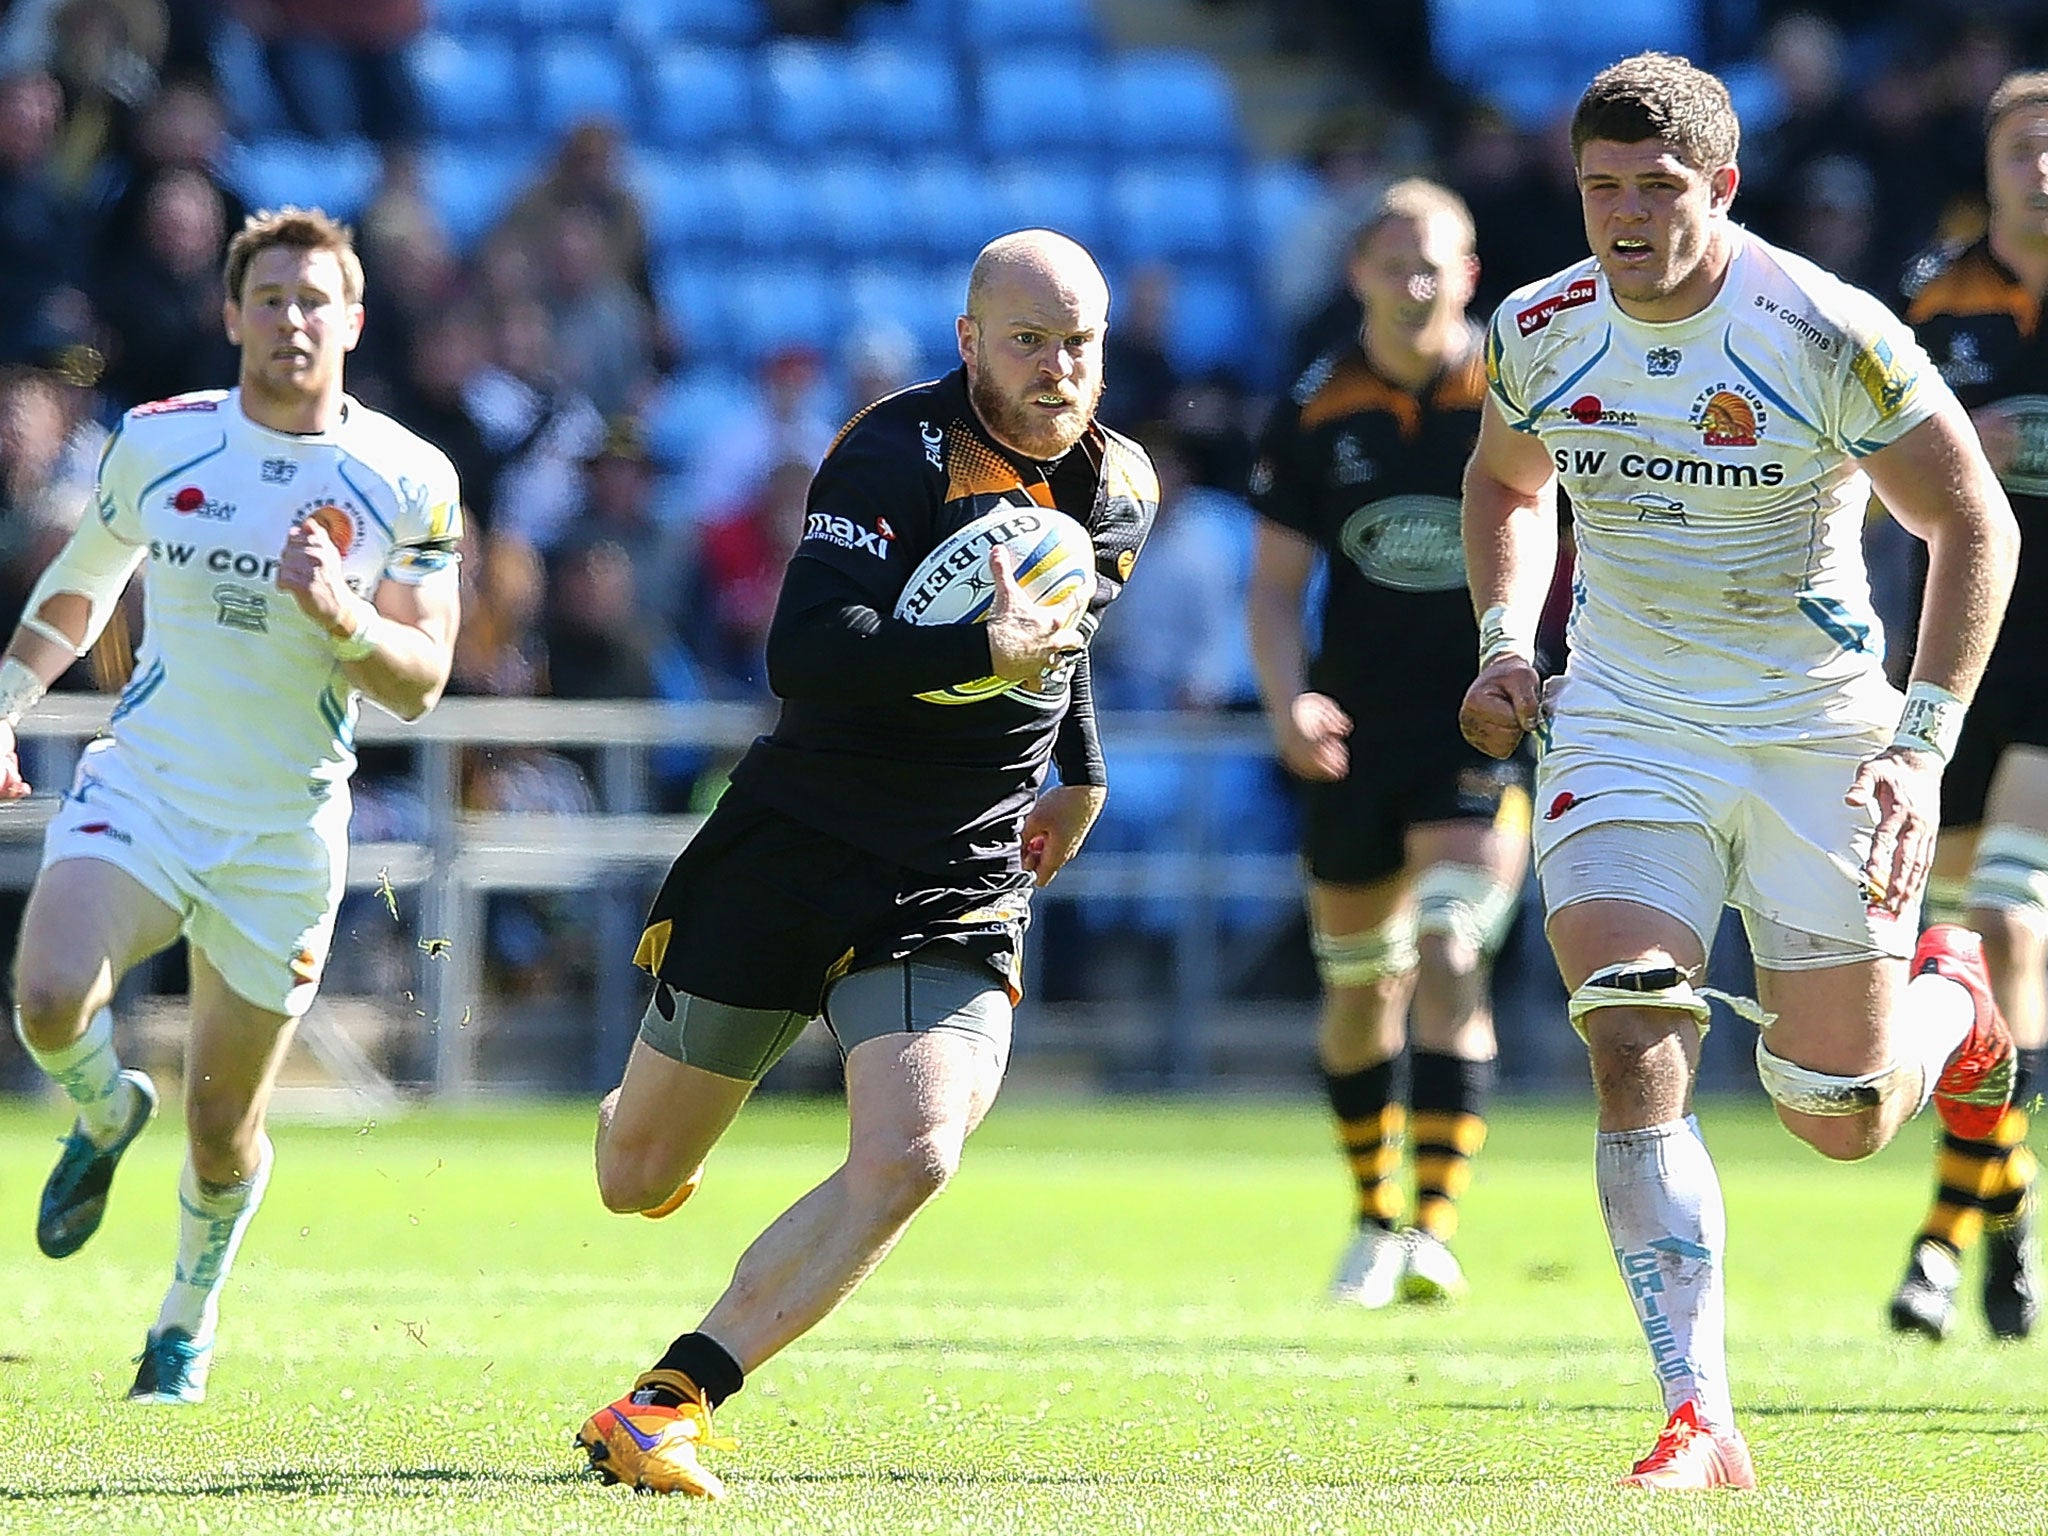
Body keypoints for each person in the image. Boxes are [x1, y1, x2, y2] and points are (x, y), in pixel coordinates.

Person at [1460, 54, 2020, 1491]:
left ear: (1720, 183)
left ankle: (1955, 999)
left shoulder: (1824, 330)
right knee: (1631, 1019)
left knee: (1837, 1117)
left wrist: (1920, 748)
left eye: (1657, 188)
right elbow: (1507, 482)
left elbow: (1975, 527)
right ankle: (1697, 1414)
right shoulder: (1538, 325)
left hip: (1815, 727)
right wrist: (1506, 639)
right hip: (1627, 719)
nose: (1627, 219)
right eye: (1602, 189)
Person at [572, 229, 1157, 1499]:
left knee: (913, 1150)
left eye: (1080, 342)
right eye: (1027, 340)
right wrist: (973, 658)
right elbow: (810, 647)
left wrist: (1083, 768)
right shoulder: (891, 452)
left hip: (956, 860)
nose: (1059, 368)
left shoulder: (1125, 486)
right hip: (799, 836)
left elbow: (1068, 639)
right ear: (968, 342)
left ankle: (664, 1402)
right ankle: (645, 1126)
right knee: (635, 1179)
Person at [4, 205, 462, 1404]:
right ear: (231, 315)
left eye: (316, 301)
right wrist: (3, 698)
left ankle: (182, 1323)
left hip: (282, 835)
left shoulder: (409, 478)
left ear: (354, 321)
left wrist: (346, 619)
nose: (293, 321)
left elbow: (421, 682)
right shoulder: (158, 444)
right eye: (271, 299)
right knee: (48, 997)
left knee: (220, 1130)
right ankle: (103, 1114)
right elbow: (80, 588)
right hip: (148, 789)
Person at [1247, 178, 1530, 1309]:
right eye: (1392, 261)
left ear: (1468, 275)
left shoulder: (1518, 392)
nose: (1414, 281)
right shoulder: (1315, 406)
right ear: (1357, 273)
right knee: (1363, 983)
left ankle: (1435, 1229)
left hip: (1481, 724)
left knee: (1454, 945)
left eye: (1436, 262)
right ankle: (1372, 1219)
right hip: (1354, 733)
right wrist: (1286, 702)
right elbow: (1273, 591)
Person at [1884, 69, 2048, 1344]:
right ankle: (1999, 1209)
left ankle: (1942, 1237)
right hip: (1956, 647)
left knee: (2005, 924)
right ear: (1986, 163)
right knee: (1945, 954)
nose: (2039, 168)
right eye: (2019, 147)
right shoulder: (1924, 303)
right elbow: (1845, 461)